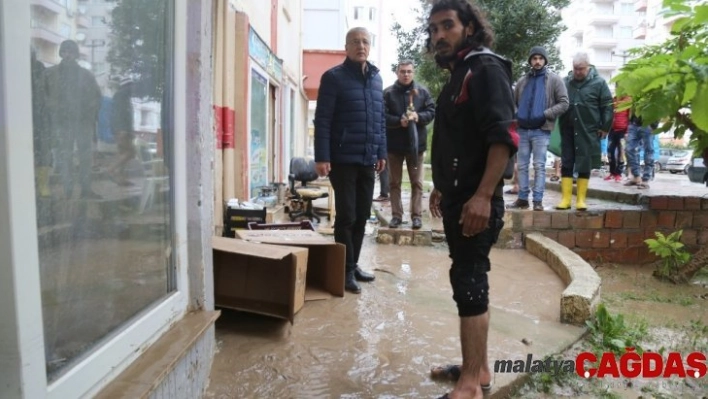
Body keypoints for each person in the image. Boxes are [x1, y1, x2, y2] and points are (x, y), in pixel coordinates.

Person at [426, 1, 518, 398]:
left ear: (469, 27)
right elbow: (458, 140)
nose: (438, 36)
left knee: (469, 282)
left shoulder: (485, 68)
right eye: (432, 30)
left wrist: (482, 195)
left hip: (476, 202)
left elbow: (503, 137)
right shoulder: (460, 72)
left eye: (447, 26)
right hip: (458, 196)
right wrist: (442, 184)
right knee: (467, 277)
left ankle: (470, 388)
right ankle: (476, 369)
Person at [313, 27, 386, 294]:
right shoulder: (333, 78)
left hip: (368, 159)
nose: (361, 46)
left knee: (362, 216)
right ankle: (343, 271)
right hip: (342, 159)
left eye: (365, 41)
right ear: (346, 47)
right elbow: (322, 119)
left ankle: (353, 264)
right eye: (355, 42)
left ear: (370, 46)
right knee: (347, 216)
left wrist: (381, 152)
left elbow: (380, 122)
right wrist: (322, 156)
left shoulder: (377, 80)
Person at [507, 46, 568, 211]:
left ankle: (538, 200)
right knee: (522, 166)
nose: (537, 61)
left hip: (542, 129)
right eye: (534, 58)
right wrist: (517, 115)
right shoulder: (523, 80)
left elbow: (564, 102)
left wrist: (546, 114)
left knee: (539, 165)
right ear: (530, 61)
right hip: (522, 130)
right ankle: (522, 198)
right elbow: (512, 102)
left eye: (540, 58)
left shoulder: (554, 80)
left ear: (545, 60)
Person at [44, 40, 102, 199]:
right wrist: (53, 110)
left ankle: (85, 189)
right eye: (65, 51)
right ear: (61, 53)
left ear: (76, 54)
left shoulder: (86, 75)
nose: (67, 54)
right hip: (63, 123)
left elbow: (97, 97)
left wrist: (89, 114)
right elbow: (44, 97)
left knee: (85, 157)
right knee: (65, 156)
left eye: (71, 51)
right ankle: (68, 190)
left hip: (83, 122)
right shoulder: (50, 74)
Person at [555, 52, 613, 211]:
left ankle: (581, 200)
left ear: (588, 67)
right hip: (567, 128)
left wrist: (605, 126)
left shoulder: (599, 83)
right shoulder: (565, 82)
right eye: (575, 68)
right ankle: (565, 199)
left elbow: (607, 105)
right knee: (566, 162)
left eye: (581, 69)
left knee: (584, 163)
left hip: (588, 129)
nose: (578, 72)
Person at [383, 60, 436, 229]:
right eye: (402, 71)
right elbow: (382, 116)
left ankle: (417, 216)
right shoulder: (388, 93)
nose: (406, 74)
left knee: (417, 183)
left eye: (409, 71)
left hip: (416, 147)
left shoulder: (423, 92)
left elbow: (431, 111)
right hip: (394, 147)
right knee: (394, 183)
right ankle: (396, 216)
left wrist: (418, 117)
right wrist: (399, 121)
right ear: (397, 73)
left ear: (413, 72)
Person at [107, 77, 137, 186]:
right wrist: (123, 130)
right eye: (132, 85)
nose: (134, 87)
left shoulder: (123, 97)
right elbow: (119, 114)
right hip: (122, 130)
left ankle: (121, 179)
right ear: (127, 86)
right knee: (131, 152)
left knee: (123, 153)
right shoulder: (121, 96)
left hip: (122, 130)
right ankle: (111, 169)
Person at [31, 47, 52, 197]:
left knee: (42, 152)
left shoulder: (40, 69)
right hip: (21, 118)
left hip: (40, 116)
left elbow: (47, 92)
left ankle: (42, 184)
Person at [624, 114, 658, 189]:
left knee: (648, 151)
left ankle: (645, 180)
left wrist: (654, 125)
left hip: (648, 123)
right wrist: (630, 122)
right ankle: (636, 177)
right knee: (629, 149)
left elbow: (660, 107)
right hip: (634, 124)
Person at [605, 93, 630, 182]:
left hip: (622, 131)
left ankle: (618, 173)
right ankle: (612, 172)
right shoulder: (613, 100)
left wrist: (627, 132)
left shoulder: (628, 100)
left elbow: (629, 116)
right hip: (612, 130)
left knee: (621, 153)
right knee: (609, 151)